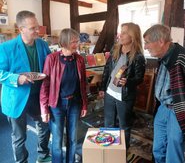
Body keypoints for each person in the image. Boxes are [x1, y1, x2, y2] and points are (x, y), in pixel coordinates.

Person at [0, 10, 51, 163]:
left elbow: (49, 65)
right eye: (32, 28)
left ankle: (43, 155)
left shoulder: (42, 44)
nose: (37, 31)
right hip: (16, 98)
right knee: (19, 136)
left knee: (44, 127)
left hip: (38, 96)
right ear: (21, 29)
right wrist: (17, 78)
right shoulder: (6, 47)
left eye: (37, 27)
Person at [40, 28, 88, 163]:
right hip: (57, 105)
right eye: (74, 41)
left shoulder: (79, 59)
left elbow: (83, 84)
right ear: (65, 42)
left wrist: (84, 104)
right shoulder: (51, 59)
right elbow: (45, 85)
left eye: (77, 41)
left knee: (73, 139)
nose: (77, 44)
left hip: (74, 104)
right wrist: (44, 109)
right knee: (57, 140)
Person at [99, 22, 146, 149]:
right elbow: (107, 70)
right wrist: (103, 88)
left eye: (124, 32)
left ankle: (121, 154)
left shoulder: (138, 57)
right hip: (110, 93)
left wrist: (128, 82)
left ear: (133, 36)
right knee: (108, 123)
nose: (120, 35)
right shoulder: (115, 50)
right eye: (121, 32)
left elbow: (139, 78)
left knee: (124, 126)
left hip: (124, 96)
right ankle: (109, 151)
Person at [143, 24, 185, 163]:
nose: (145, 47)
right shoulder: (163, 56)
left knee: (174, 153)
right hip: (162, 108)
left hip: (177, 111)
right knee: (158, 149)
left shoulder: (181, 57)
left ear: (161, 41)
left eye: (147, 42)